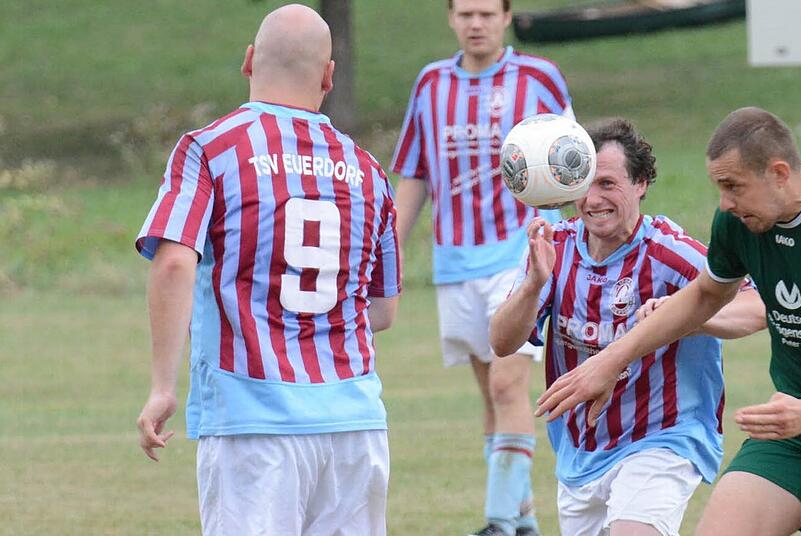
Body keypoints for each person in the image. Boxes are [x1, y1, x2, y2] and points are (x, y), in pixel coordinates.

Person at [536, 107, 801, 536]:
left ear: (778, 173)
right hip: (792, 412)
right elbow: (706, 295)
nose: (724, 203)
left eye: (733, 186)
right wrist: (611, 361)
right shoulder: (737, 220)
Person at [134, 5, 401, 535]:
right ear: (329, 76)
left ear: (249, 60)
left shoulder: (210, 150)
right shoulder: (368, 170)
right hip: (355, 423)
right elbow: (383, 310)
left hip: (253, 419)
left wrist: (163, 385)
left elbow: (174, 262)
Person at [490, 118, 765, 536]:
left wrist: (689, 316)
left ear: (640, 183)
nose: (593, 199)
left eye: (607, 183)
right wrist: (532, 285)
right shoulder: (553, 248)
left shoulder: (668, 251)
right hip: (582, 451)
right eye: (584, 184)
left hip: (665, 436)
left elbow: (758, 305)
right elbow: (502, 342)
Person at [389, 1, 574, 535]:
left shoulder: (539, 77)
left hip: (522, 255)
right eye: (466, 13)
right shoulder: (431, 84)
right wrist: (389, 248)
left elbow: (573, 162)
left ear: (507, 16)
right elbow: (415, 174)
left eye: (487, 13)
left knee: (508, 387)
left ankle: (496, 522)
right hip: (455, 261)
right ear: (450, 17)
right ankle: (523, 523)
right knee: (491, 398)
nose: (476, 24)